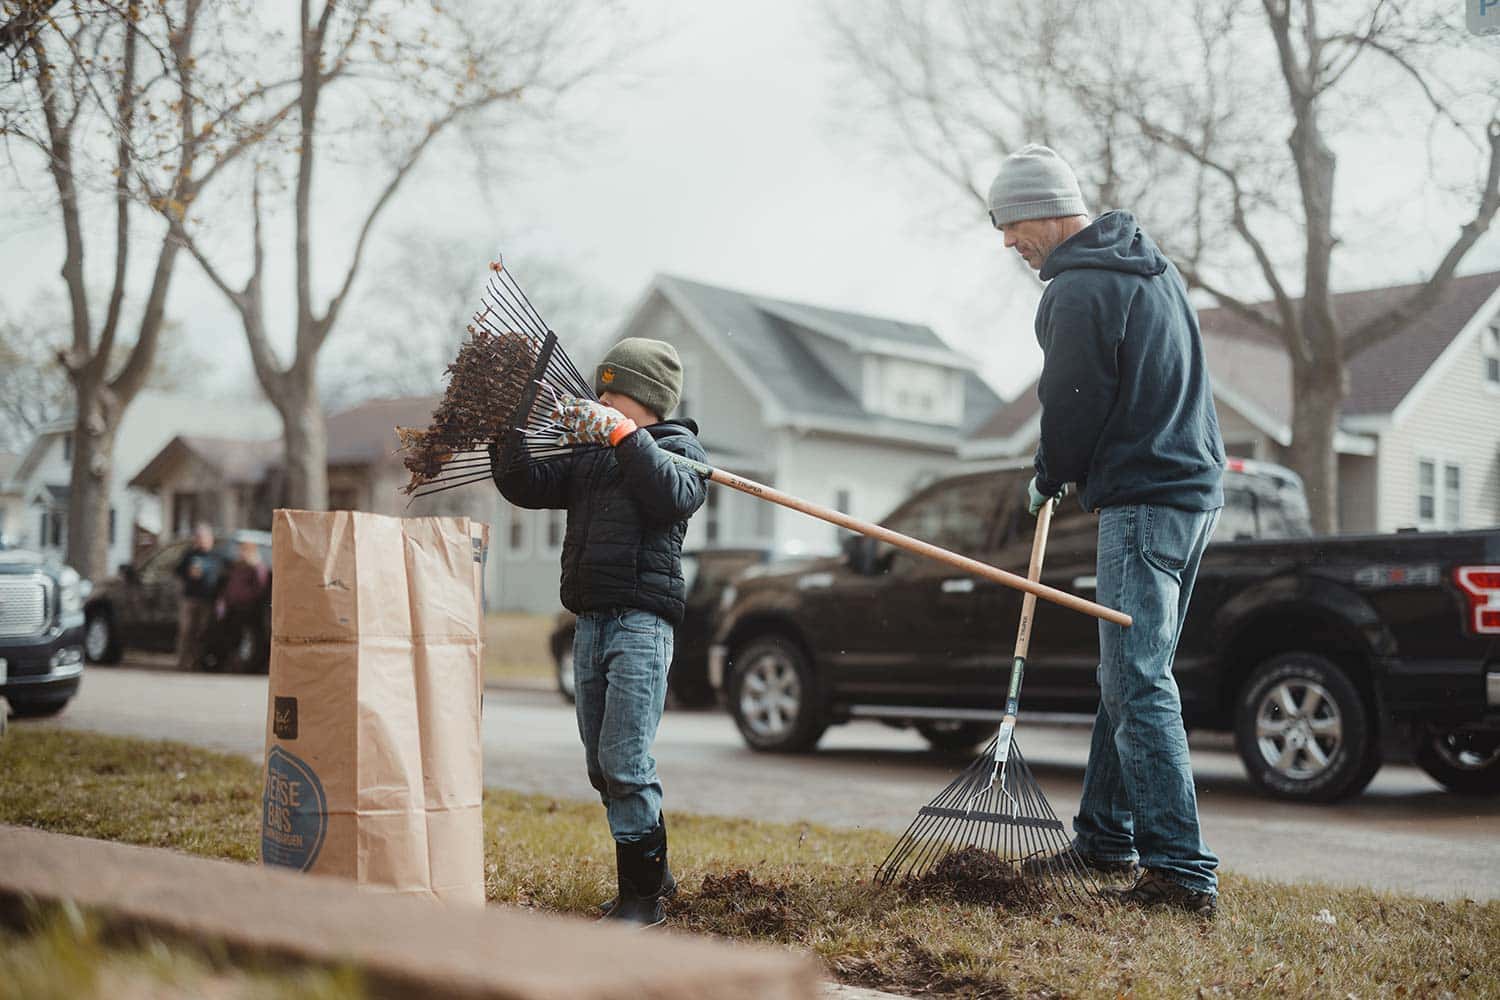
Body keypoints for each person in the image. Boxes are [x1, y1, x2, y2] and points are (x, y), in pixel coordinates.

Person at [987, 144, 1227, 918]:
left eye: (1012, 223)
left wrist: (1051, 469)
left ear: (1050, 210)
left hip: (1145, 495)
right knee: (1128, 670)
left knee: (1135, 678)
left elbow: (1076, 402)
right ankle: (1104, 839)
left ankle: (1181, 871)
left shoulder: (1081, 288)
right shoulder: (1150, 270)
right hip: (1193, 492)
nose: (1007, 242)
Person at [489, 337, 707, 927]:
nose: (601, 400)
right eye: (600, 390)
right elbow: (526, 485)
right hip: (589, 623)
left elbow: (673, 496)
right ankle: (654, 875)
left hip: (641, 624)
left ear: (647, 402)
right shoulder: (589, 455)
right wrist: (507, 433)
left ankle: (642, 901)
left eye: (614, 394)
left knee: (626, 759)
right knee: (600, 763)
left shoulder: (677, 450)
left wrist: (625, 438)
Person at [213, 536, 271, 672]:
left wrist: (246, 599)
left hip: (249, 610)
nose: (241, 553)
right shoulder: (238, 566)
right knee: (233, 638)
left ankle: (247, 666)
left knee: (250, 640)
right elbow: (229, 587)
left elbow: (260, 589)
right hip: (234, 609)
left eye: (245, 550)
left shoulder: (257, 567)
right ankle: (233, 664)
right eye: (241, 550)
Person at [174, 523, 224, 672]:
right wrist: (187, 573)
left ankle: (197, 663)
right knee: (186, 631)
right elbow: (177, 571)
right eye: (199, 537)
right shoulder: (190, 554)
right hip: (190, 599)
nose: (202, 540)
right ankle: (183, 663)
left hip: (208, 600)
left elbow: (222, 577)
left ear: (211, 540)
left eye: (205, 538)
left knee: (202, 632)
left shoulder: (216, 556)